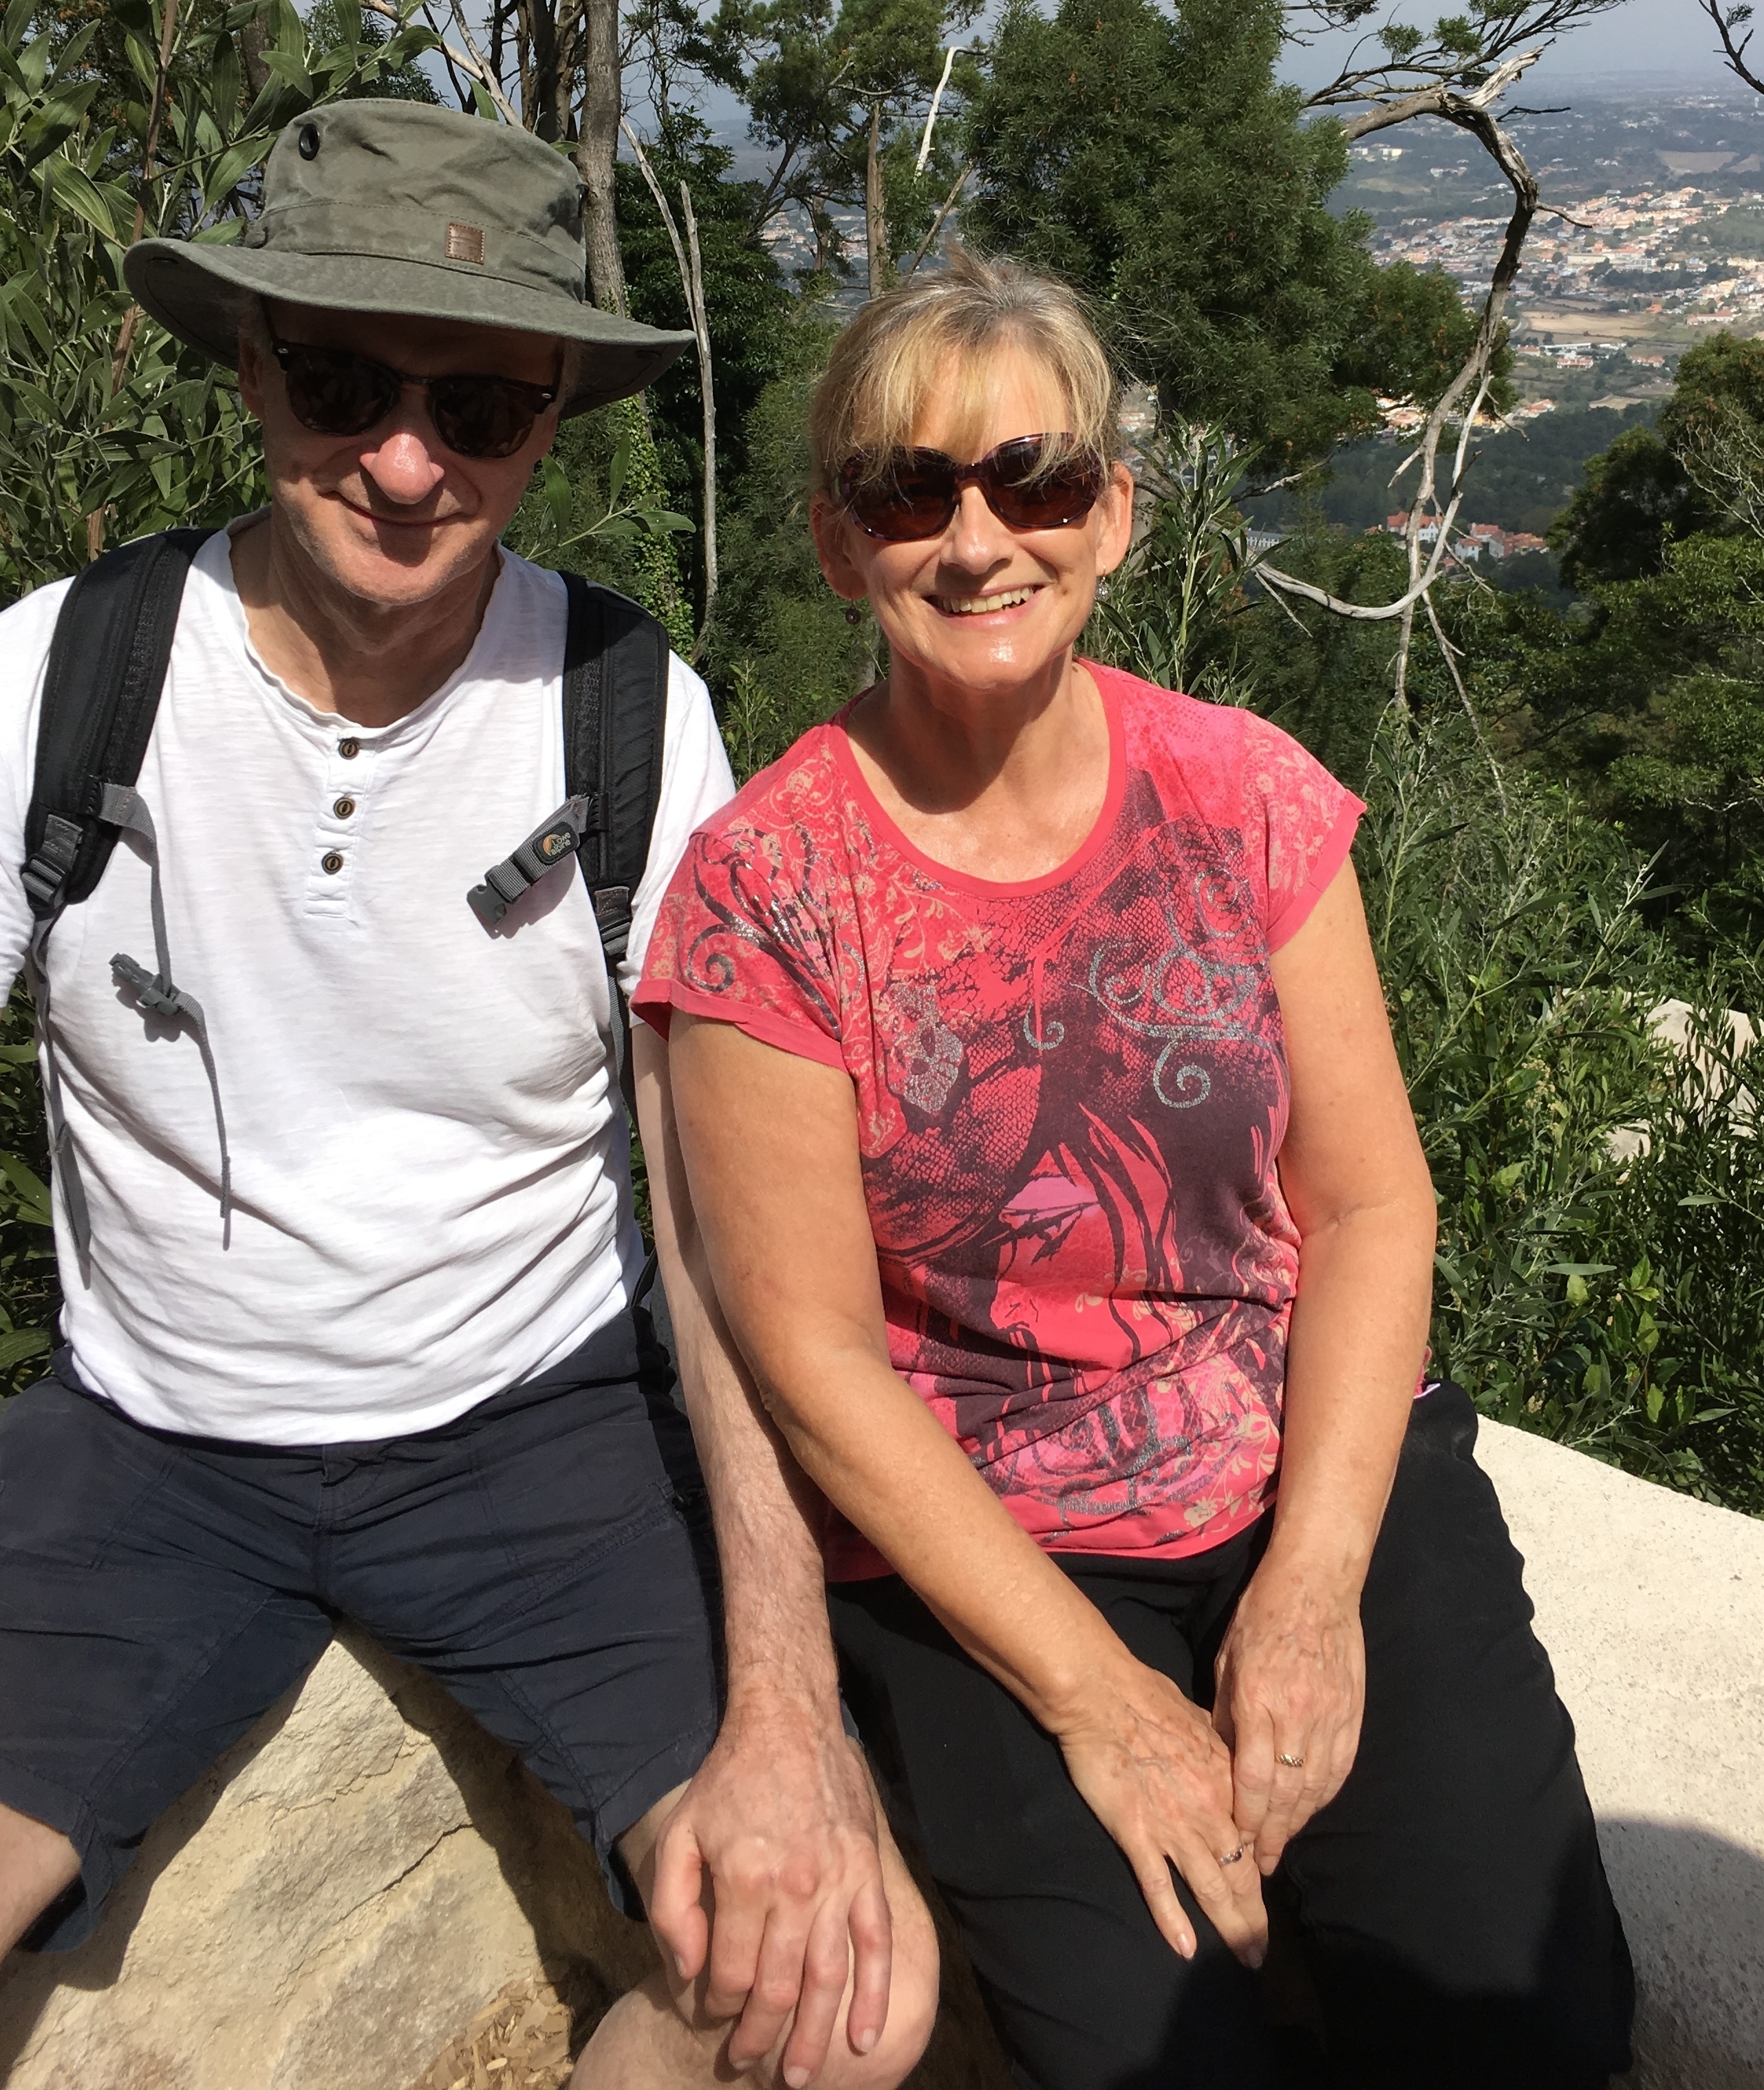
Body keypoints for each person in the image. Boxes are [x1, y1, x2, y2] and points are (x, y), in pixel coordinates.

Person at [0, 100, 936, 2090]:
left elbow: (728, 1237)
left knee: (833, 2005)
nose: (405, 464)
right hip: (147, 1442)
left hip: (536, 1436)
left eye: (478, 408)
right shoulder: (49, 684)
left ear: (549, 421)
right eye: (339, 383)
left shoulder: (623, 712)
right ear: (249, 370)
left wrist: (788, 1715)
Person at [639, 251, 1636, 2090]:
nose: (975, 538)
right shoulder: (768, 892)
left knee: (1533, 2036)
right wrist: (1103, 1707)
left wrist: (1316, 1590)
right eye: (907, 493)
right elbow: (815, 1357)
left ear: (1115, 515)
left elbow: (1369, 1208)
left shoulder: (1245, 795)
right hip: (984, 1540)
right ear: (838, 542)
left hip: (1304, 1465)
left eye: (1032, 481)